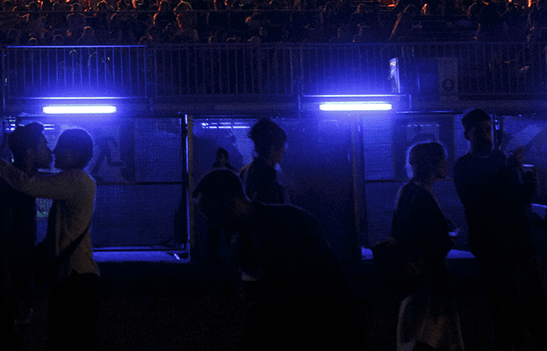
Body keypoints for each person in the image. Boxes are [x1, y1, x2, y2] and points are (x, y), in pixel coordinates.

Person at [193, 168, 362, 350]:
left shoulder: (271, 233)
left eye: (213, 215)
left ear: (230, 202)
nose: (214, 224)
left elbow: (292, 302)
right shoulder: (282, 223)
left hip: (324, 332)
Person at [0, 128, 99, 351]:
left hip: (74, 279)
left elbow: (28, 183)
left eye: (59, 147)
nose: (53, 151)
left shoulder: (75, 181)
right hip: (74, 278)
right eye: (46, 145)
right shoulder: (76, 181)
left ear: (73, 153)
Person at [453, 109, 547, 351]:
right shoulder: (464, 166)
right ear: (467, 134)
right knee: (506, 318)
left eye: (488, 129)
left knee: (536, 315)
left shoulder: (498, 159)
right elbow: (478, 200)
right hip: (496, 254)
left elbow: (514, 200)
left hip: (521, 249)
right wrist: (507, 171)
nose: (487, 135)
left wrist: (529, 187)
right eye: (480, 130)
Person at [393, 142, 463, 351]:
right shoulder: (424, 196)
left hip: (414, 280)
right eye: (443, 159)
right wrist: (448, 238)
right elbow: (433, 243)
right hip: (429, 282)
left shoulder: (407, 192)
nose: (446, 164)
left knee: (413, 337)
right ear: (434, 164)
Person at [0, 123, 46, 351]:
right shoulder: (12, 192)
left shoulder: (15, 189)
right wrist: (10, 290)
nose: (50, 151)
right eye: (44, 145)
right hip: (9, 291)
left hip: (10, 288)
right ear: (30, 152)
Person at [239, 118, 287, 204]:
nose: (284, 150)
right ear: (273, 148)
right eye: (282, 145)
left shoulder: (247, 172)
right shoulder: (268, 180)